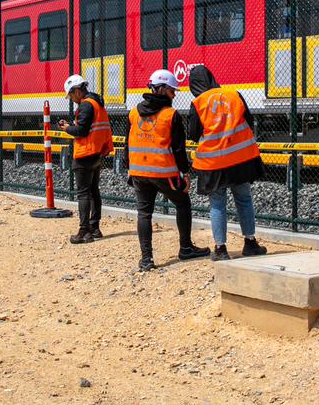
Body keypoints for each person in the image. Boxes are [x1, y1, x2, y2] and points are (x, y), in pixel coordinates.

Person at [126, 69, 210, 272]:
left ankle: (146, 259)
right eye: (172, 91)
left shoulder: (134, 112)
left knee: (144, 214)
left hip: (139, 173)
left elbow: (128, 143)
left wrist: (130, 169)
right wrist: (185, 173)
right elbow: (179, 150)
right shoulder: (171, 115)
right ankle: (186, 248)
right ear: (162, 89)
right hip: (163, 173)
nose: (174, 95)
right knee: (183, 203)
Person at [186, 65, 268, 261]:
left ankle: (221, 249)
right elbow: (248, 120)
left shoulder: (198, 103)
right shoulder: (234, 94)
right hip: (240, 159)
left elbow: (193, 134)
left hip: (214, 163)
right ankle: (250, 242)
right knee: (244, 199)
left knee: (217, 204)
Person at [55, 74, 113, 244]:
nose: (72, 99)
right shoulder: (96, 103)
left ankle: (84, 231)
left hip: (85, 155)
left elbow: (81, 131)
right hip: (96, 153)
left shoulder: (86, 105)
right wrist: (72, 125)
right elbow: (90, 127)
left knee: (83, 194)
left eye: (71, 95)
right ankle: (94, 228)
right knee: (94, 191)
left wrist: (67, 128)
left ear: (77, 91)